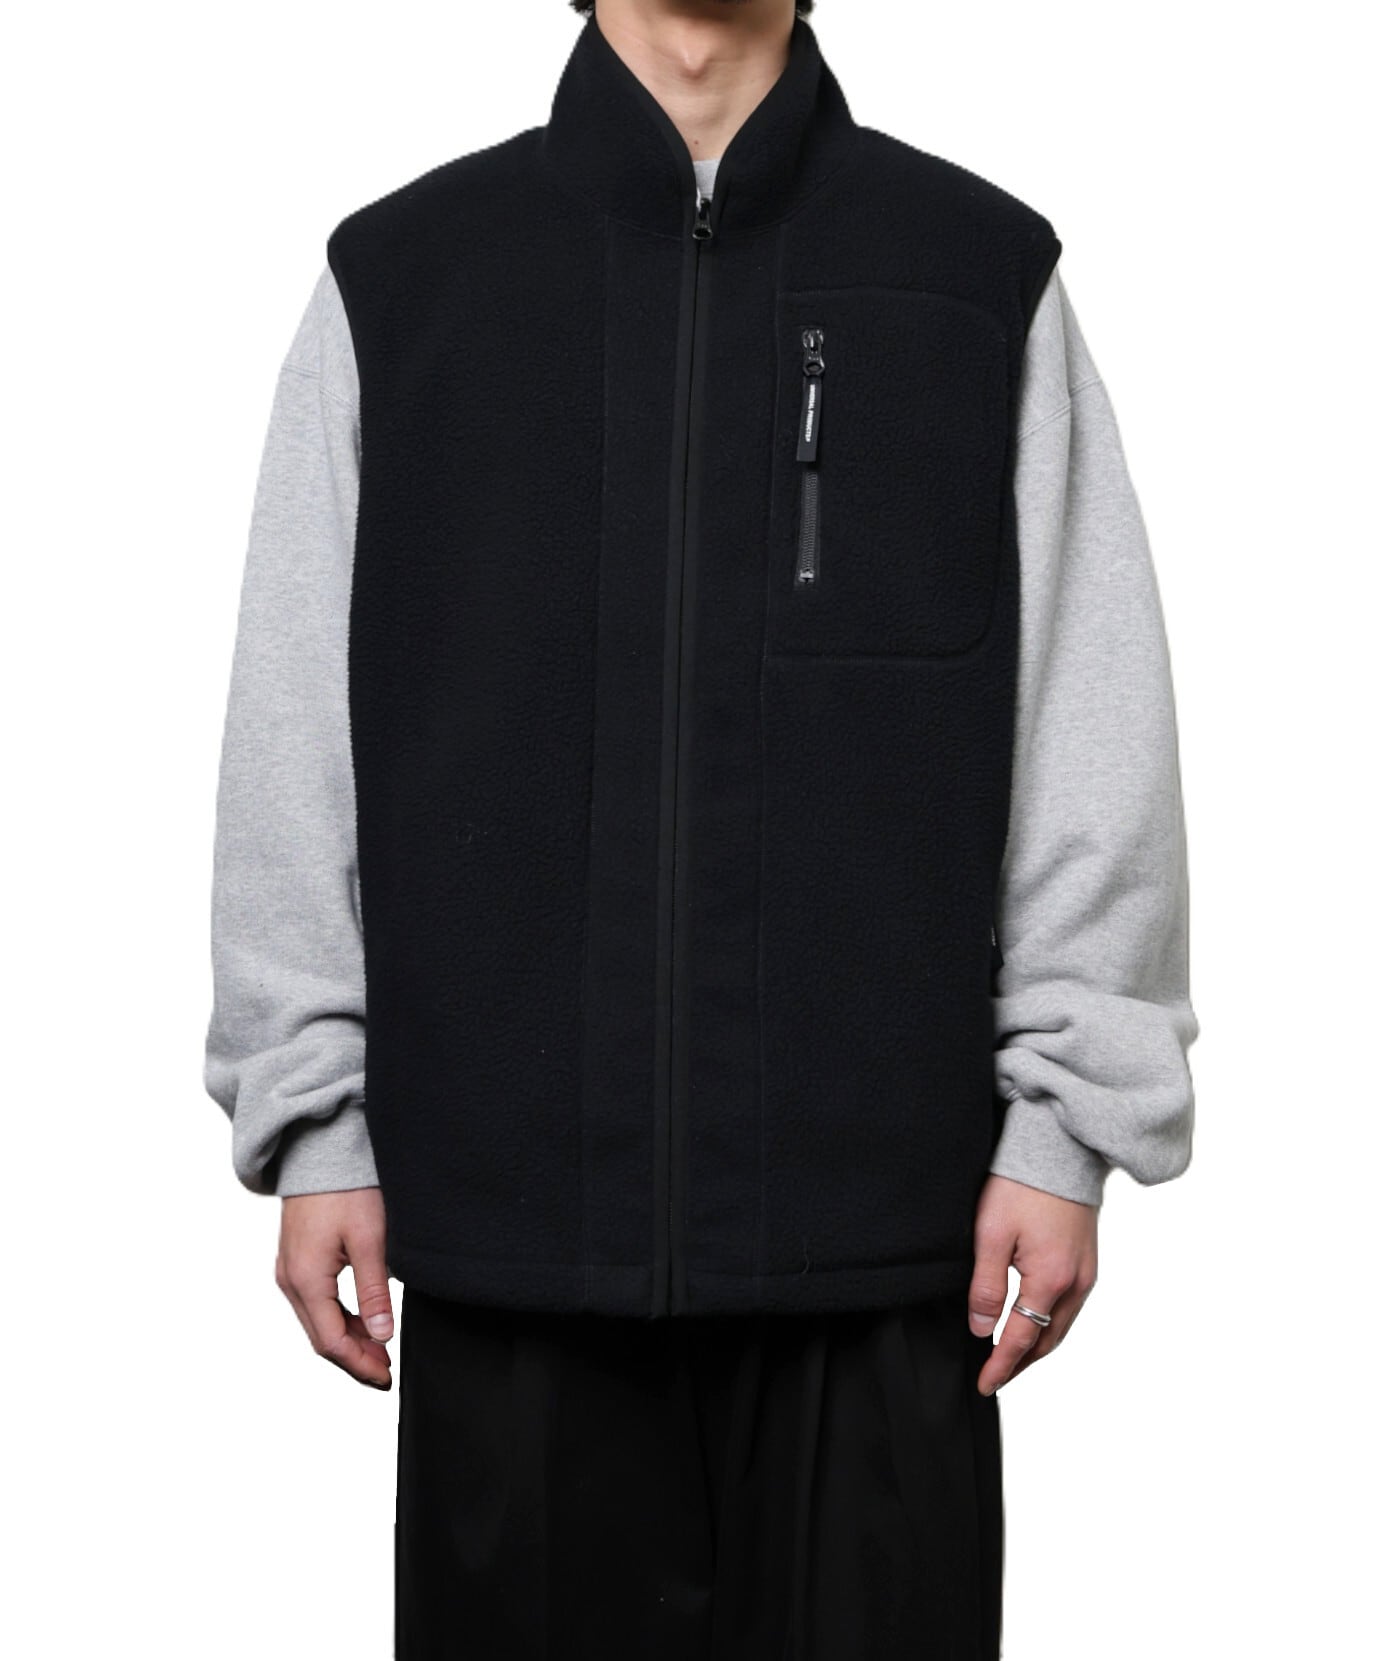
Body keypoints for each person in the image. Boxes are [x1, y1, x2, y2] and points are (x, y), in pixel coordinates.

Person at [204, 1, 1199, 1654]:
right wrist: (314, 1119)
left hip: (890, 1270)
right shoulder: (406, 280)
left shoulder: (976, 276)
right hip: (514, 1258)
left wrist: (1064, 1123)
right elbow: (296, 725)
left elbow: (1087, 714)